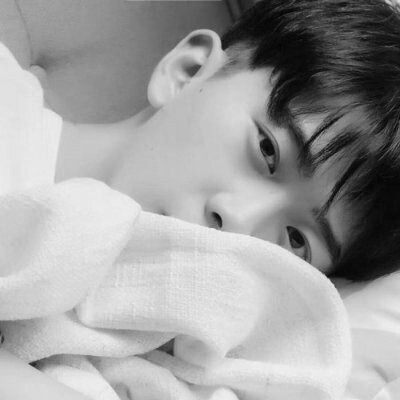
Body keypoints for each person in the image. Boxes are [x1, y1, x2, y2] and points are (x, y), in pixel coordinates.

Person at [2, 0, 400, 398]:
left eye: (297, 239)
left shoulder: (176, 365)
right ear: (187, 71)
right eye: (267, 150)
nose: (238, 219)